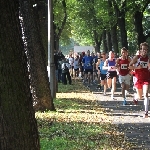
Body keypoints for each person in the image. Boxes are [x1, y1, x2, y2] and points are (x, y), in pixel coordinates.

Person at [129, 42, 149, 118]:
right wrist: (137, 68)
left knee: (146, 94)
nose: (145, 51)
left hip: (146, 78)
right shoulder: (137, 58)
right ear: (141, 50)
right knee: (140, 97)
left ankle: (146, 112)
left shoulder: (148, 58)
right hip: (138, 79)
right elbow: (129, 66)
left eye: (146, 49)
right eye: (143, 49)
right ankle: (135, 97)